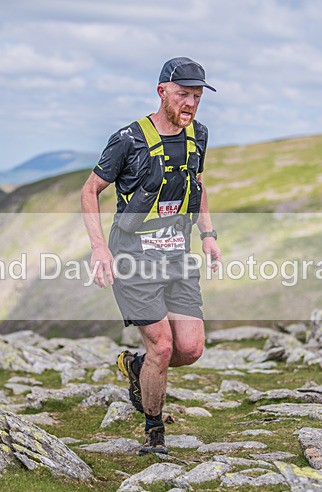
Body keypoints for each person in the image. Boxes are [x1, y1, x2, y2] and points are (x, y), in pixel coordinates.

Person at [81, 57, 221, 455]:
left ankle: (137, 368)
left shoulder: (199, 135)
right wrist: (98, 247)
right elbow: (90, 190)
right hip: (133, 256)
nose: (190, 104)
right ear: (162, 92)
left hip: (178, 254)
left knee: (189, 349)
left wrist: (207, 233)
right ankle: (154, 433)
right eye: (183, 95)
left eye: (196, 96)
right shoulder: (128, 138)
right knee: (161, 345)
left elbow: (197, 183)